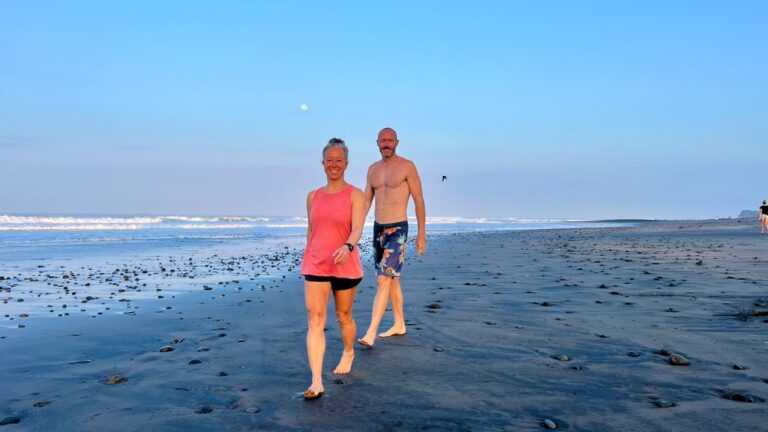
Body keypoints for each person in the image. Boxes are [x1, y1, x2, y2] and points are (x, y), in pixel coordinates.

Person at [300, 138, 365, 399]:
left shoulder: (355, 194)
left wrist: (347, 247)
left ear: (346, 164)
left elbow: (358, 227)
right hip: (316, 263)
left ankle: (348, 350)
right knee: (315, 320)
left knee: (343, 316)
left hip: (345, 263)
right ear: (323, 164)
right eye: (330, 160)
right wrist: (311, 253)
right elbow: (311, 230)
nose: (334, 164)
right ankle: (316, 381)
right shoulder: (313, 196)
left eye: (339, 160)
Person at [357, 127, 426, 348]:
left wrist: (421, 234)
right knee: (392, 278)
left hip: (398, 229)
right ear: (377, 143)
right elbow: (366, 201)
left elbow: (419, 200)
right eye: (382, 140)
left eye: (390, 140)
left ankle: (370, 332)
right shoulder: (372, 170)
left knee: (382, 279)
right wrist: (355, 228)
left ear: (397, 142)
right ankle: (399, 323)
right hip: (378, 229)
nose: (386, 144)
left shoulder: (407, 166)